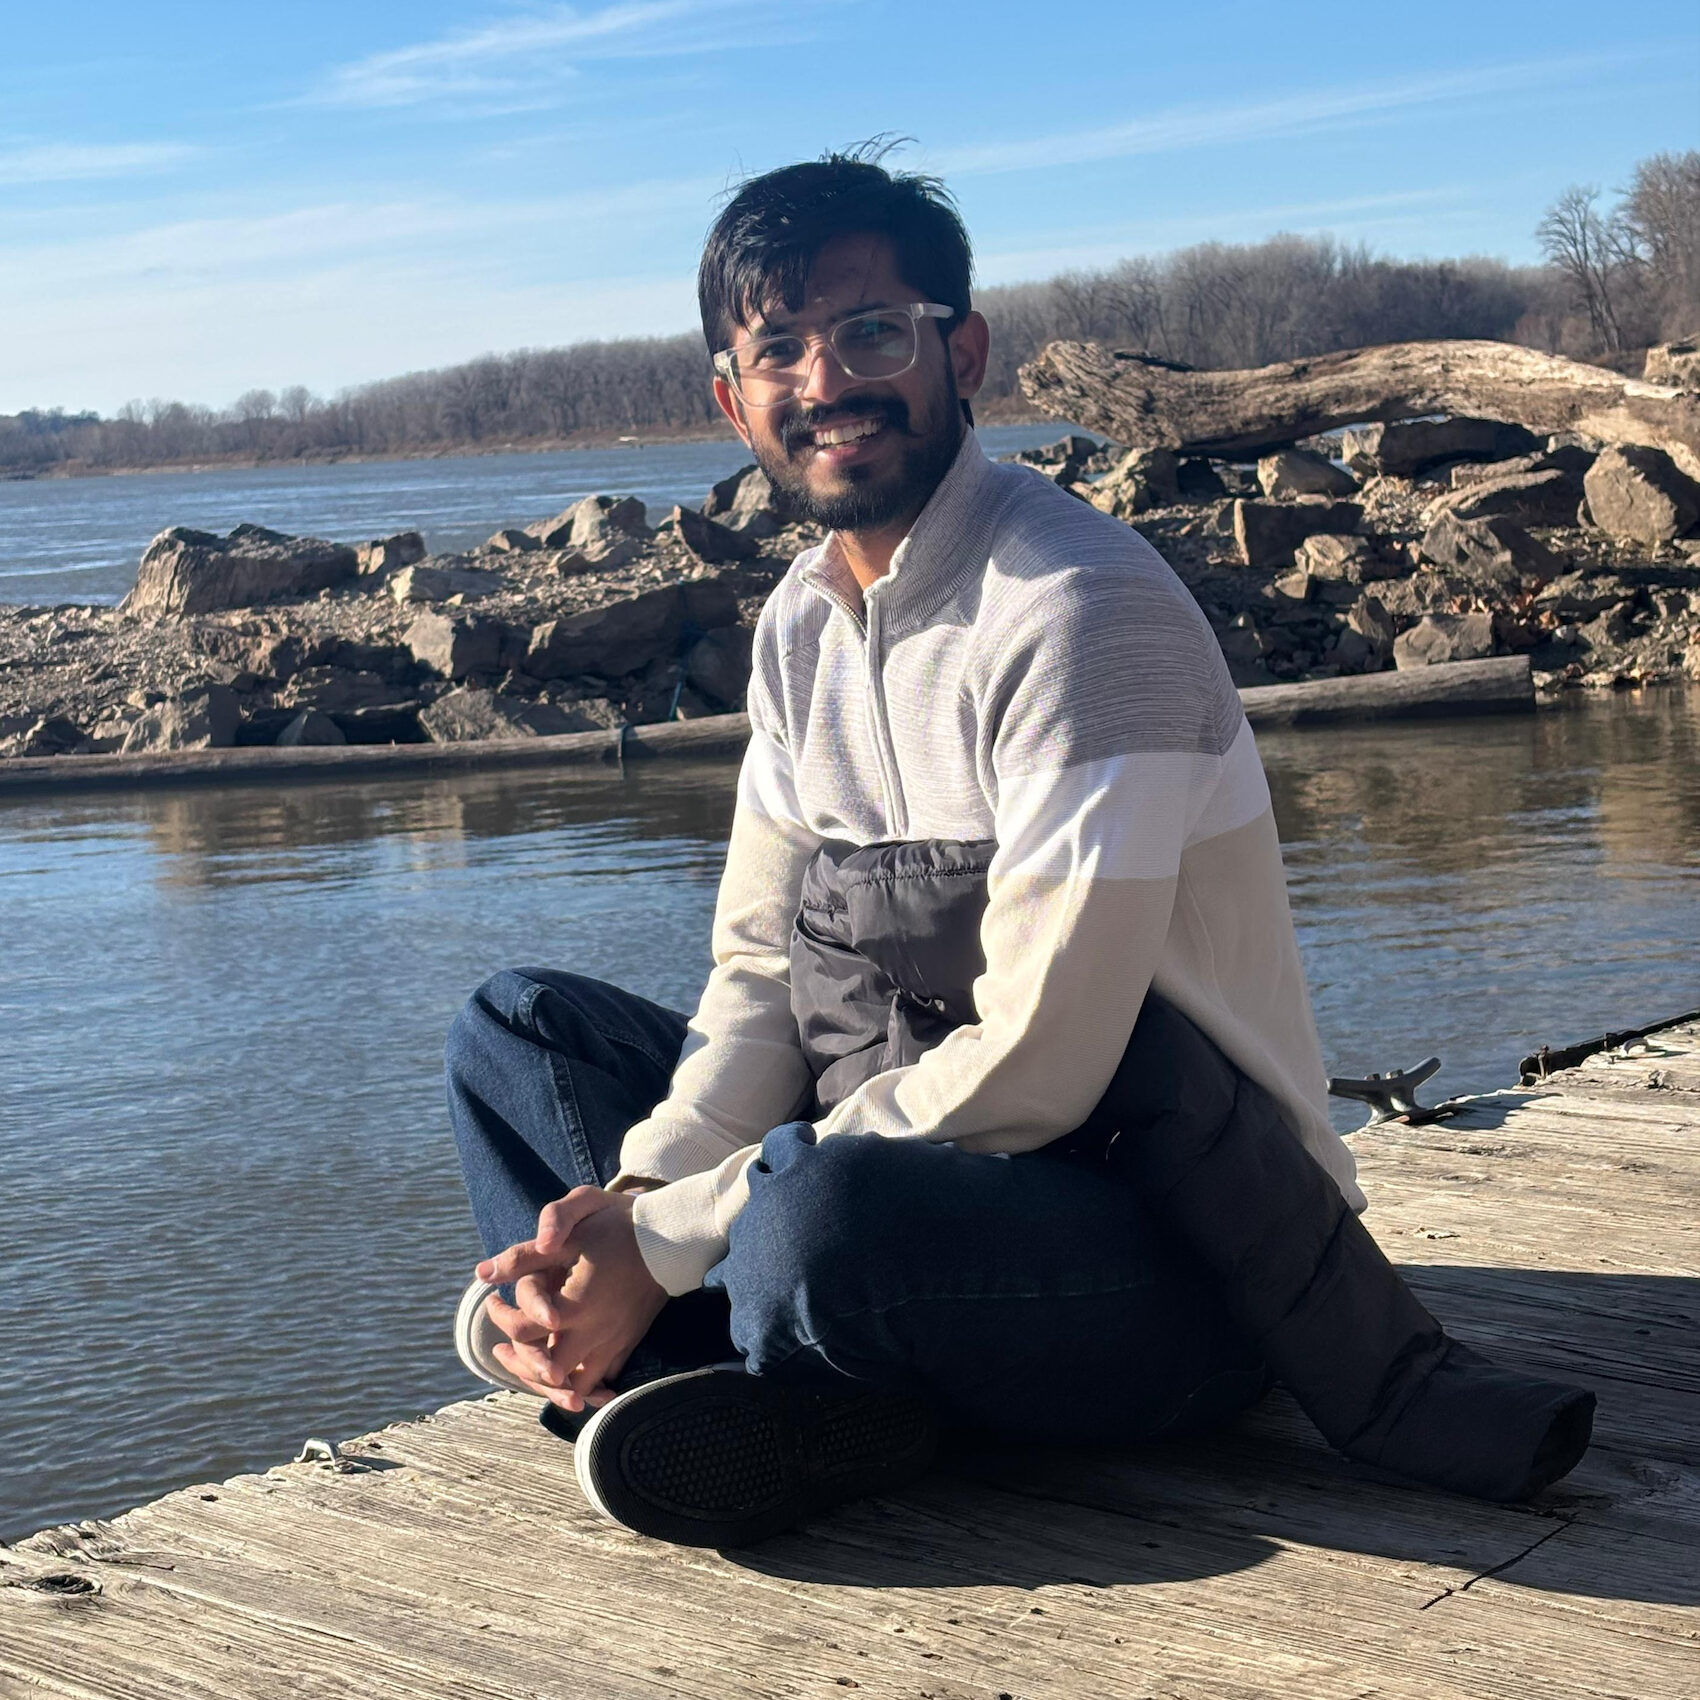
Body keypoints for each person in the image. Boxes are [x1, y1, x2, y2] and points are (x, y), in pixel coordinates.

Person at [445, 149, 1591, 1549]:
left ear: (961, 350)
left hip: (1179, 1249)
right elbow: (757, 983)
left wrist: (678, 1239)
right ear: (731, 399)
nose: (828, 383)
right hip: (911, 1160)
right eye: (781, 349)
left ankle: (715, 1365)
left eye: (872, 331)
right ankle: (731, 1374)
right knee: (516, 1030)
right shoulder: (799, 631)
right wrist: (622, 1207)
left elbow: (1046, 1064)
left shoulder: (1080, 610)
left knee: (820, 1222)